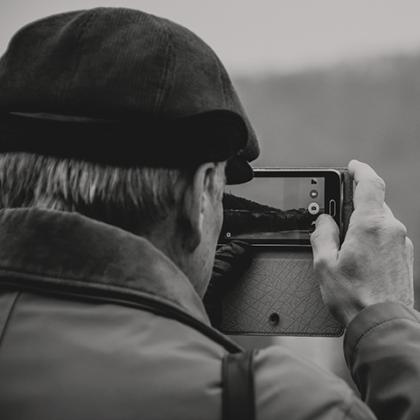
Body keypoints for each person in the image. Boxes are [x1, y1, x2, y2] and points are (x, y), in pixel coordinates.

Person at [0, 7, 418, 420]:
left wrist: (180, 310)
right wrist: (387, 317)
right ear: (200, 194)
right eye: (221, 193)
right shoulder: (281, 404)